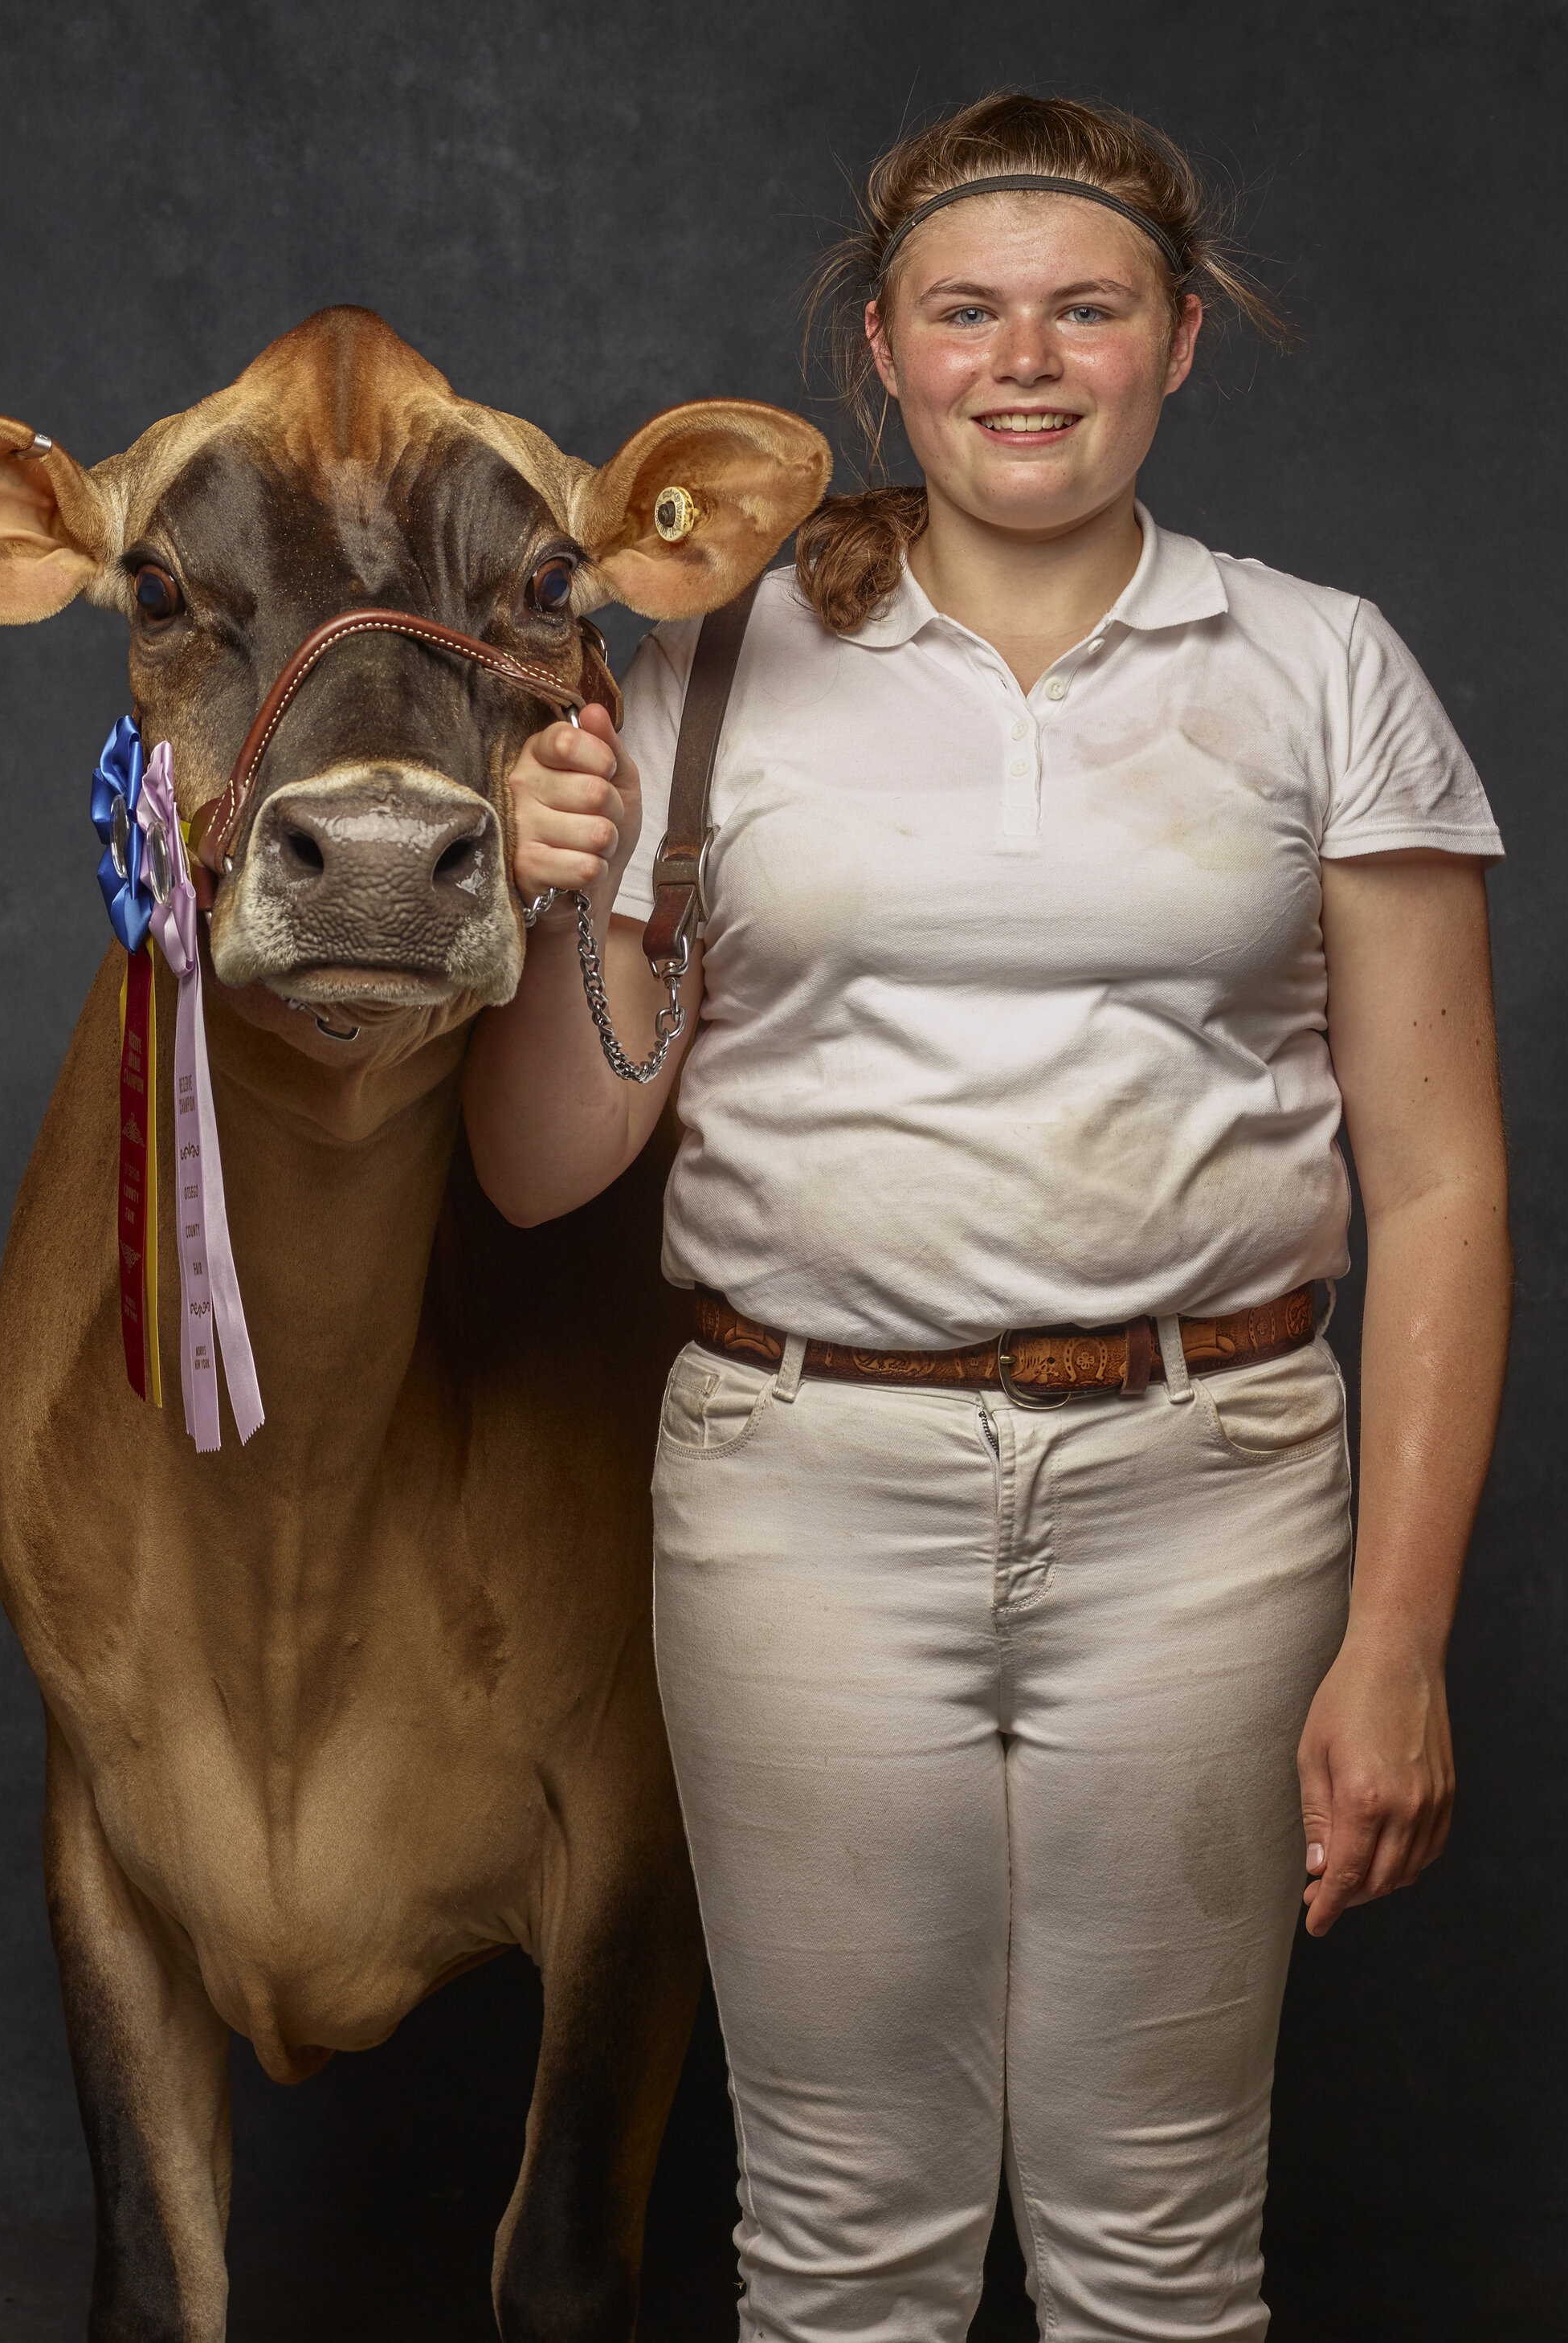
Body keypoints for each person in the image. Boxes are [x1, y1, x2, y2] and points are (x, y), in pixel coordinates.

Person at [463, 90, 1510, 2343]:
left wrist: (1397, 1639)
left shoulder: (1320, 666)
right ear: (881, 348)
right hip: (801, 1491)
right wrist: (574, 891)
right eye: (967, 312)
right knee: (843, 2247)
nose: (1023, 361)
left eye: (1085, 310)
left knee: (1157, 2245)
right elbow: (541, 1162)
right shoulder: (709, 667)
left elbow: (1436, 1182)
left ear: (1176, 347)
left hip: (1210, 1495)